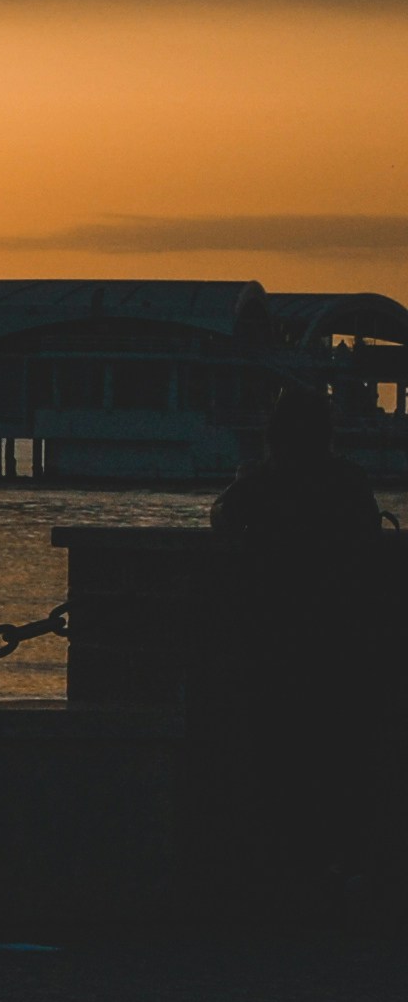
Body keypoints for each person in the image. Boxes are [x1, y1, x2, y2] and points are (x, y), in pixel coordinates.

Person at [203, 387, 393, 917]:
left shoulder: (263, 484)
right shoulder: (349, 481)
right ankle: (337, 867)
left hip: (276, 642)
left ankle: (286, 871)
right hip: (342, 643)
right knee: (339, 757)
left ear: (274, 432)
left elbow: (223, 519)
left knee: (278, 755)